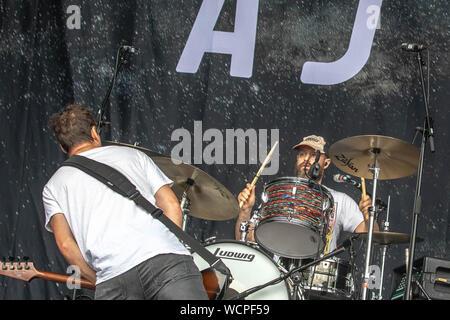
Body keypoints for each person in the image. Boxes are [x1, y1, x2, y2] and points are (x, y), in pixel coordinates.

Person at [42, 104, 208, 300]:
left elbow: (66, 245)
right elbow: (171, 205)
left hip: (113, 278)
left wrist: (99, 279)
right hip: (165, 261)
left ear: (63, 147)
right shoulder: (133, 156)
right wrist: (166, 246)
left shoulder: (53, 186)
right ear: (95, 132)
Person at [235, 134, 379, 253]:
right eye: (302, 154)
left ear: (326, 163)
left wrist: (369, 218)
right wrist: (245, 211)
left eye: (313, 155)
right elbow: (247, 239)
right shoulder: (280, 194)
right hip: (282, 278)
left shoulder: (340, 200)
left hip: (319, 279)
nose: (306, 159)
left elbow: (372, 240)